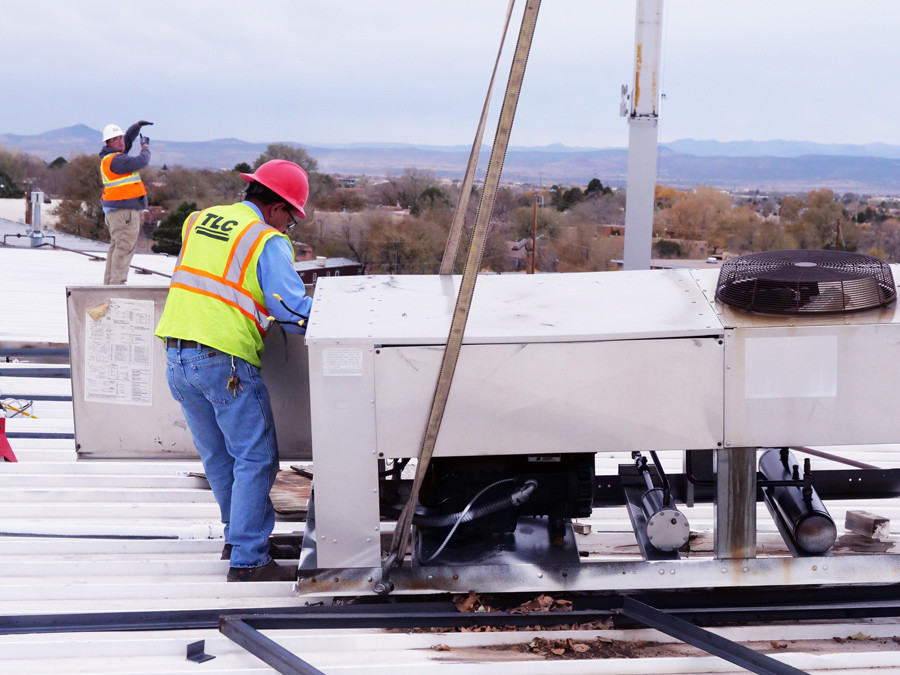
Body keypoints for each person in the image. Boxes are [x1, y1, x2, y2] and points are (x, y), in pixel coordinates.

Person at [154, 159, 314, 582]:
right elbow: (289, 306)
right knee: (256, 458)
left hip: (177, 356)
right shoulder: (266, 239)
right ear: (278, 207)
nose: (287, 229)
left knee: (220, 457)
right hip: (224, 359)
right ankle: (249, 558)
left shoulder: (198, 220)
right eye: (290, 220)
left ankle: (239, 539)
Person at [99, 120, 152, 284]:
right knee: (124, 249)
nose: (121, 141)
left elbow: (127, 141)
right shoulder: (117, 160)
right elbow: (142, 161)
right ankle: (117, 286)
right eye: (116, 139)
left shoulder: (111, 157)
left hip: (117, 212)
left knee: (116, 248)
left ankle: (109, 285)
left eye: (120, 137)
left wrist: (136, 127)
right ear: (109, 143)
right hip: (125, 213)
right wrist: (145, 147)